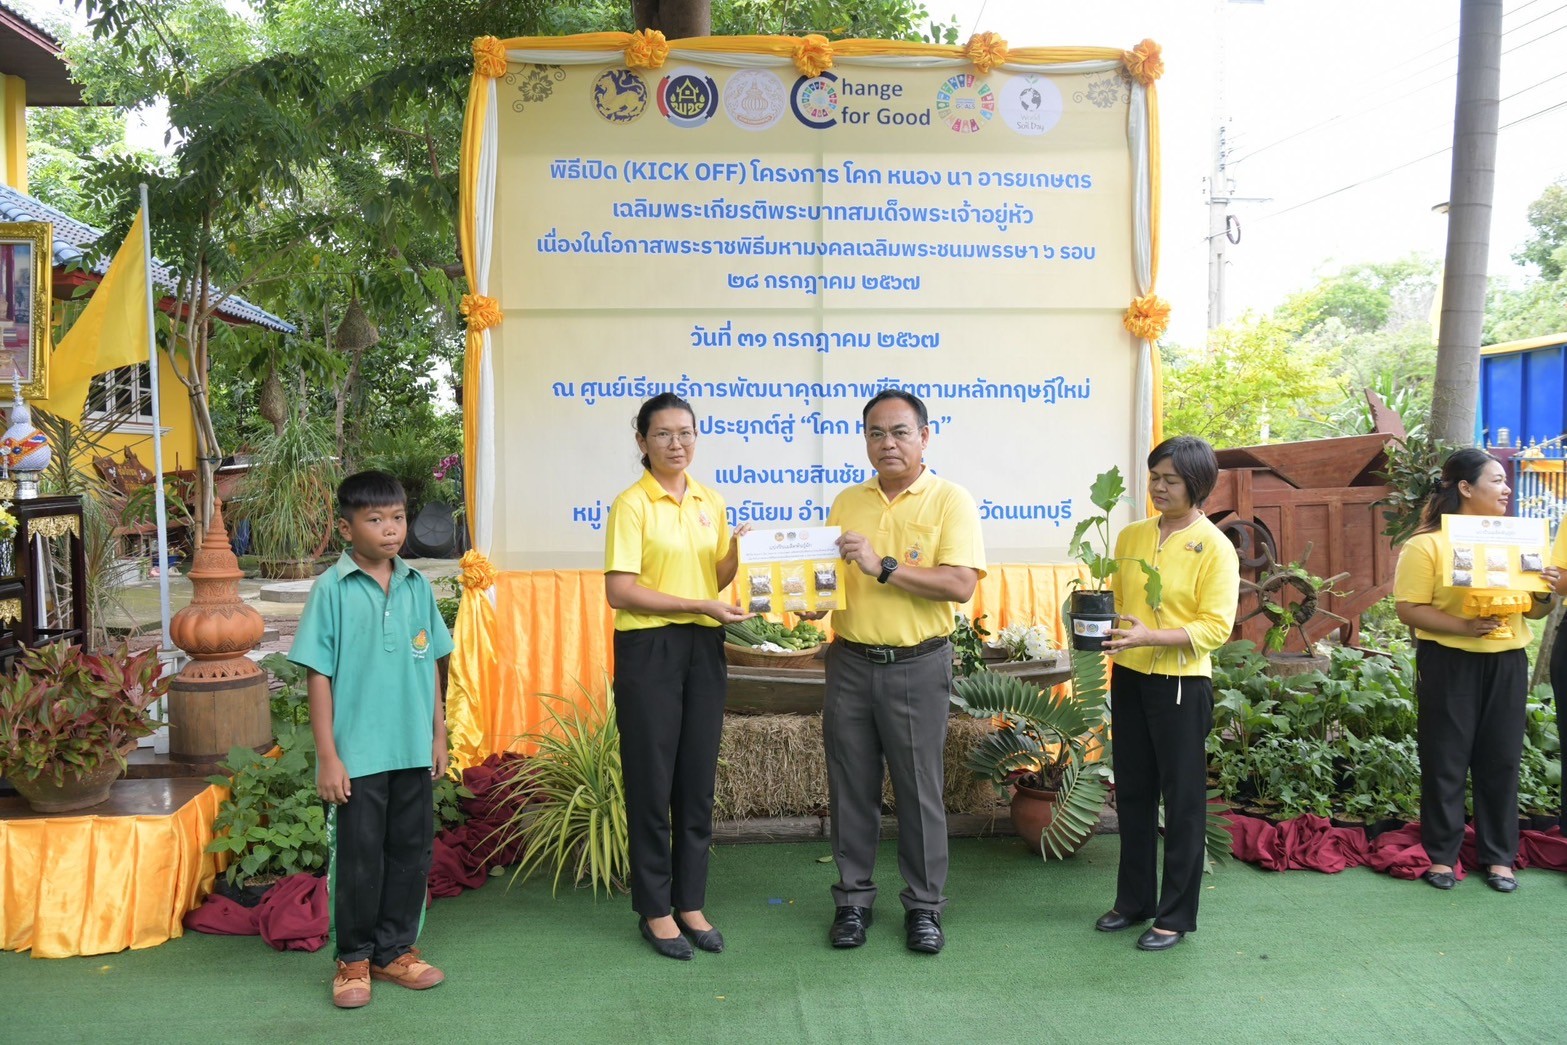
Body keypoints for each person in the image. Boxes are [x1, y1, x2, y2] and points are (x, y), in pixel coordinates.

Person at [819, 389, 985, 955]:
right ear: (864, 439)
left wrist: (883, 567)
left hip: (917, 665)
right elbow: (829, 581)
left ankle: (924, 908)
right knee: (850, 788)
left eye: (899, 432)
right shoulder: (847, 501)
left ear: (924, 437)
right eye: (875, 433)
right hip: (849, 661)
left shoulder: (949, 500)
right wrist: (805, 597)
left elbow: (961, 584)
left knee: (919, 790)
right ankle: (853, 902)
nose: (887, 443)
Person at [289, 470, 455, 1009]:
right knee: (360, 860)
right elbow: (318, 675)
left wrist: (438, 733)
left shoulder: (417, 585)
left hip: (412, 748)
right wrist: (329, 757)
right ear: (347, 527)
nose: (390, 529)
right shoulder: (331, 589)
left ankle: (395, 953)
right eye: (375, 519)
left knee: (410, 853)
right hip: (357, 755)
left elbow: (431, 663)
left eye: (398, 517)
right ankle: (354, 958)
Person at [604, 393, 750, 960]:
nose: (676, 443)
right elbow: (621, 590)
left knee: (696, 779)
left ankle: (691, 902)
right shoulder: (632, 504)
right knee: (651, 779)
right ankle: (655, 909)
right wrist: (699, 605)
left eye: (686, 432)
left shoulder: (710, 499)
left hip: (703, 644)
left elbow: (716, 577)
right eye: (662, 434)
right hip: (648, 647)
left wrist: (739, 551)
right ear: (641, 441)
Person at [1097, 435, 1239, 952]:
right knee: (1132, 793)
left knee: (1181, 802)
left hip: (1182, 683)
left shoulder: (1215, 546)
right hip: (1130, 675)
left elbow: (1215, 628)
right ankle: (1133, 900)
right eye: (1155, 476)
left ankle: (1175, 916)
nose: (1158, 487)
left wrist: (1151, 636)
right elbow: (1117, 601)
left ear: (1197, 484)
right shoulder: (1132, 536)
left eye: (1170, 480)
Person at [1394, 447, 1547, 893]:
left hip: (1507, 660)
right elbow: (1408, 609)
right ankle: (1441, 855)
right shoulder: (1426, 544)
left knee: (1501, 757)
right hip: (1449, 660)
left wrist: (1545, 591)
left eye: (1505, 481)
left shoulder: (1518, 539)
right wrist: (1464, 625)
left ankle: (1499, 857)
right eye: (1496, 480)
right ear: (1465, 487)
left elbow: (1535, 611)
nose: (1506, 488)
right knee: (1445, 757)